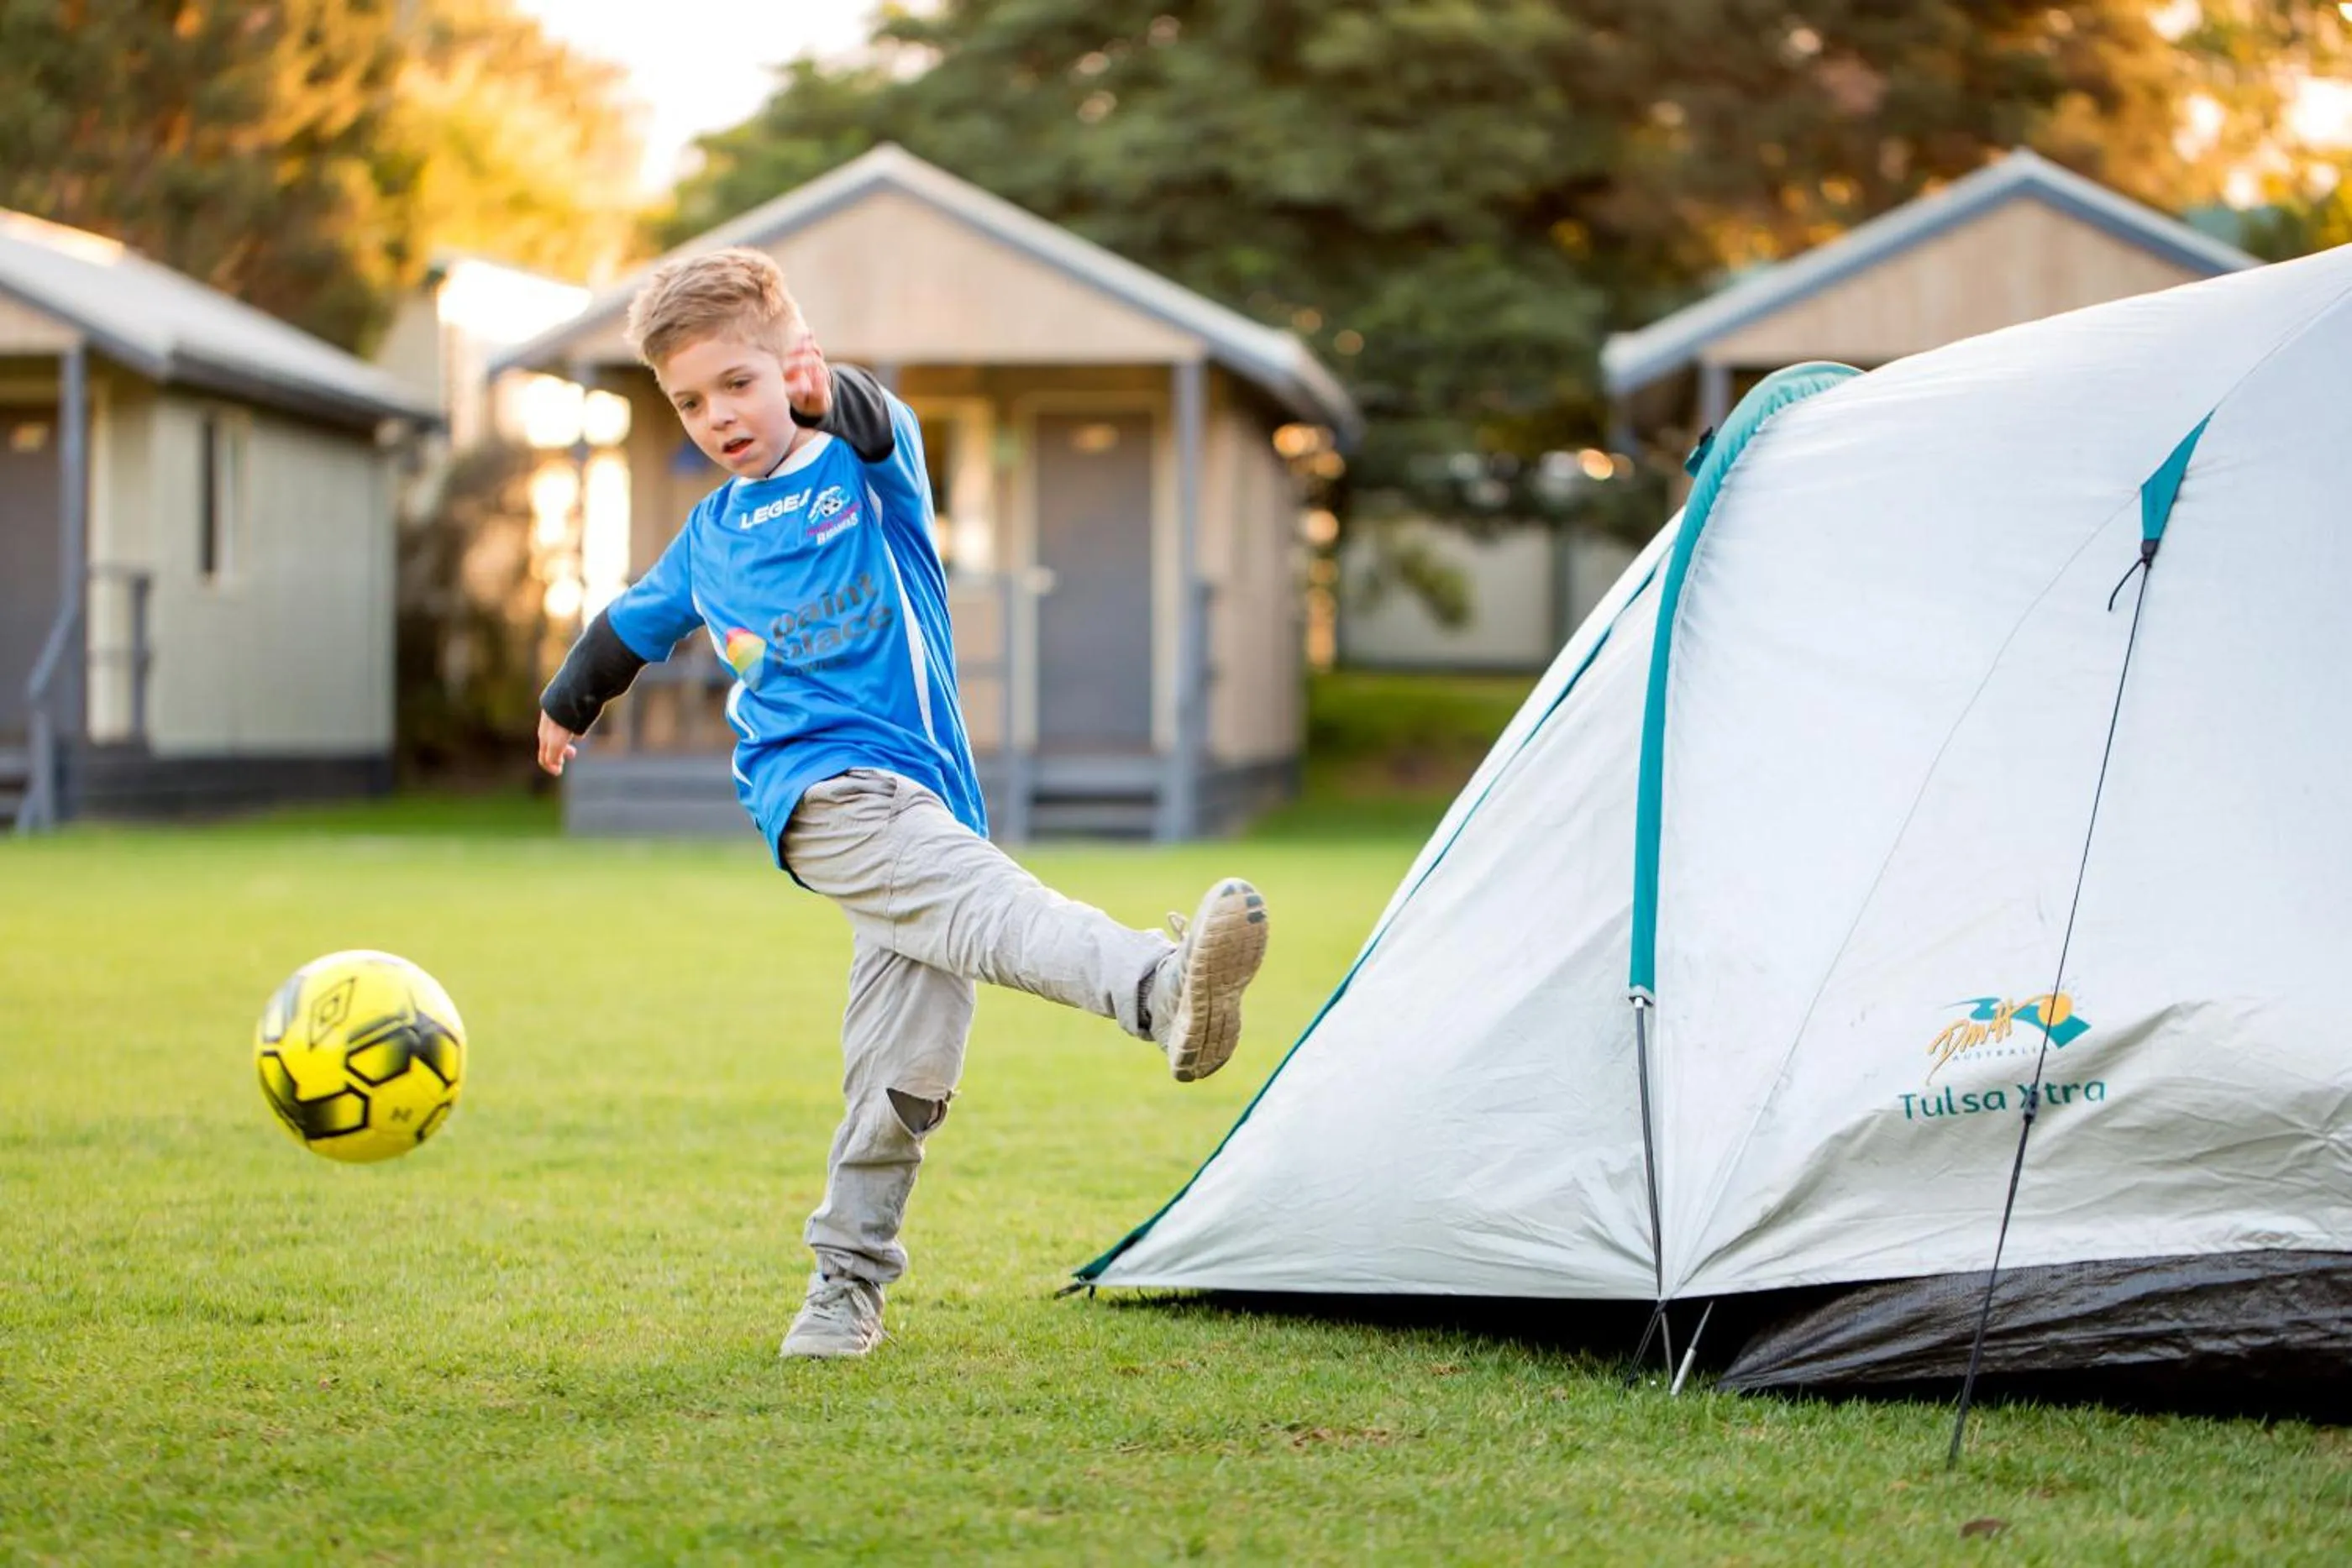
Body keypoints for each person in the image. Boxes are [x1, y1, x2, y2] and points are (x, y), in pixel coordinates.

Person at [533, 247, 1270, 1361]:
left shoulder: (865, 468)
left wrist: (833, 395)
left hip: (929, 803)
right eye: (688, 402)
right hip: (818, 795)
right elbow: (624, 630)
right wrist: (565, 704)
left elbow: (878, 423)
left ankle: (843, 1286)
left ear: (795, 363)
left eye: (738, 383)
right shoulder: (707, 540)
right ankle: (1159, 988)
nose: (717, 416)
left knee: (905, 1073)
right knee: (998, 913)